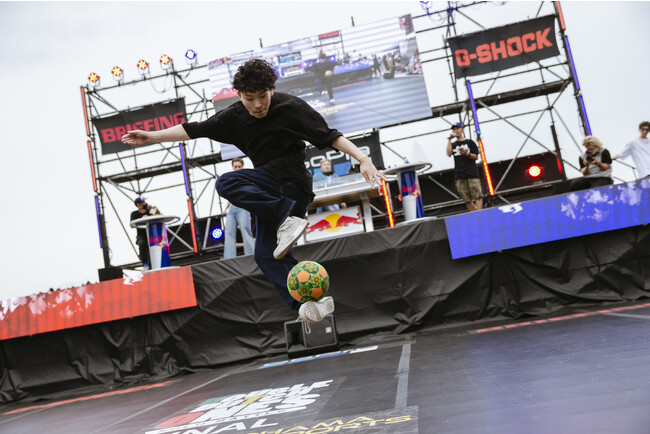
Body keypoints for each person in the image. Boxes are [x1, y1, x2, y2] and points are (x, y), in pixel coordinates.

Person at [121, 58, 386, 325]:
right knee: (265, 256)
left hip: (293, 184)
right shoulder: (233, 117)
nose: (258, 105)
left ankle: (284, 218)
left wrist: (364, 159)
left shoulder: (291, 107)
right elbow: (193, 129)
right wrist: (151, 137)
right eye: (250, 99)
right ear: (239, 95)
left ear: (272, 89)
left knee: (226, 182)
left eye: (263, 96)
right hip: (270, 191)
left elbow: (330, 135)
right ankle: (309, 303)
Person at [446, 122, 483, 211]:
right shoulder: (453, 144)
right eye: (454, 129)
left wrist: (467, 154)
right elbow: (449, 153)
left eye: (457, 128)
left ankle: (479, 213)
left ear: (462, 130)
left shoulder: (470, 142)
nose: (456, 131)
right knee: (466, 199)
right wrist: (449, 140)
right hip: (459, 174)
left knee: (477, 196)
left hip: (471, 173)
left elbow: (476, 157)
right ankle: (474, 214)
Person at [223, 157, 255, 259]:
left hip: (242, 206)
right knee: (229, 232)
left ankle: (251, 255)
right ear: (233, 167)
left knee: (245, 230)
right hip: (232, 207)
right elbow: (231, 194)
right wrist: (227, 206)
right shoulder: (231, 178)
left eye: (239, 166)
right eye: (235, 167)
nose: (237, 168)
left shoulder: (245, 177)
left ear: (242, 166)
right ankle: (229, 258)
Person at [129, 197, 161, 270]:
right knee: (142, 244)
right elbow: (132, 224)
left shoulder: (151, 211)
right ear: (139, 206)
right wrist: (141, 220)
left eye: (144, 202)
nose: (145, 204)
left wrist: (152, 213)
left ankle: (156, 263)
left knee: (157, 245)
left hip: (153, 234)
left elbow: (160, 216)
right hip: (142, 235)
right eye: (143, 203)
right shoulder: (134, 214)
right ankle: (145, 264)